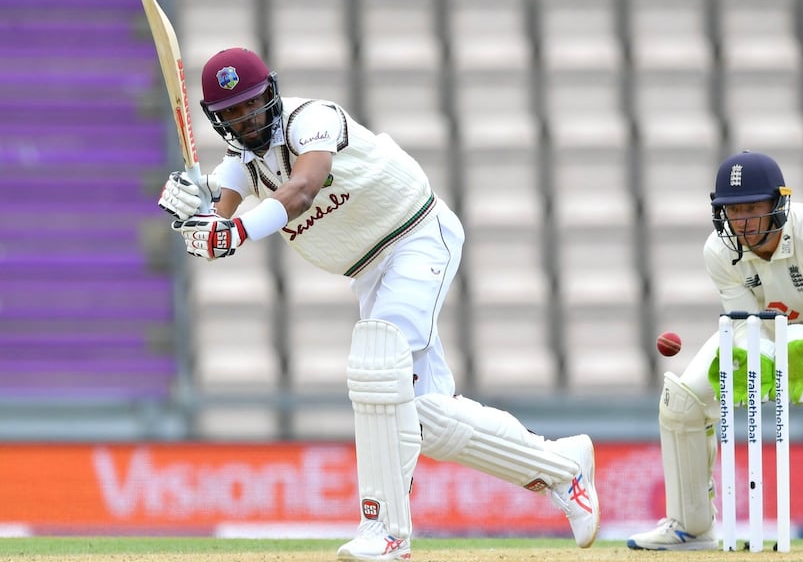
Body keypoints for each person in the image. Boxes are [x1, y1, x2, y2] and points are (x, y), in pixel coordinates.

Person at [158, 47, 599, 561]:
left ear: (271, 94)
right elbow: (219, 224)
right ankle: (562, 467)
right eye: (230, 113)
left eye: (251, 105)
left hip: (416, 237)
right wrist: (200, 217)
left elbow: (301, 190)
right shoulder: (240, 164)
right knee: (418, 414)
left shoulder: (312, 120)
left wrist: (232, 231)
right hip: (370, 272)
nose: (245, 119)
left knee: (377, 369)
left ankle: (386, 530)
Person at [626, 151, 803, 552]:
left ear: (778, 203)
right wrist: (759, 356)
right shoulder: (718, 251)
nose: (743, 221)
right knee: (683, 400)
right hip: (772, 330)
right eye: (732, 211)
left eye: (753, 207)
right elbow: (742, 324)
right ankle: (690, 526)